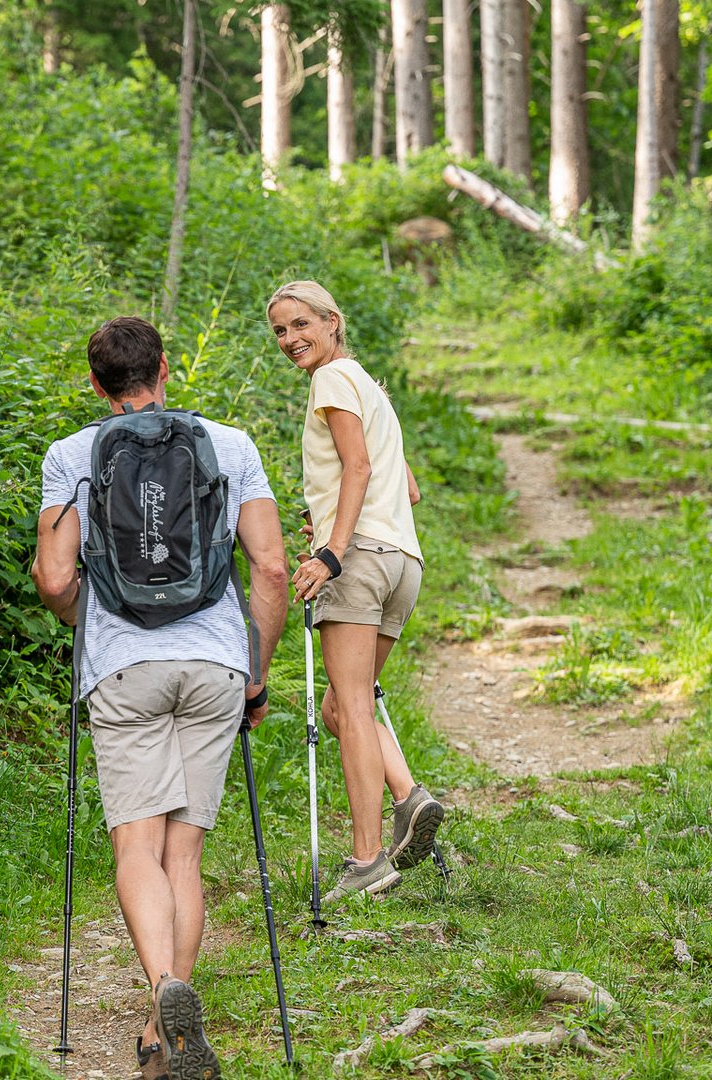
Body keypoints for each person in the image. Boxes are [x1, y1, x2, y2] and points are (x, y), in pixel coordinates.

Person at [32, 316, 288, 1080]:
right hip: (212, 664)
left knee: (136, 846)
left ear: (95, 383)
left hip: (123, 669)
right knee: (186, 852)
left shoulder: (71, 454)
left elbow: (52, 577)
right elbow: (270, 568)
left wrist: (92, 621)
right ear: (166, 368)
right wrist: (256, 670)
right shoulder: (231, 445)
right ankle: (161, 1028)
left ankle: (162, 989)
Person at [266, 280, 444, 905]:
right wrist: (339, 520)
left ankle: (367, 860)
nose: (290, 339)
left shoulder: (332, 381)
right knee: (345, 711)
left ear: (331, 320)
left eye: (299, 324)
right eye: (281, 331)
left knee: (353, 710)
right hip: (403, 561)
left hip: (361, 560)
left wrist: (332, 551)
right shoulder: (370, 385)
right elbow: (407, 487)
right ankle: (409, 799)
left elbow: (360, 470)